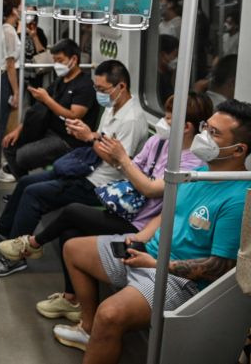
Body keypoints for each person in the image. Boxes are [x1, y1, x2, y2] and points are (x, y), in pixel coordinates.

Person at [55, 99, 251, 363]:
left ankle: (100, 328)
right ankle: (89, 330)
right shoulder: (198, 172)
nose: (204, 137)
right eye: (206, 128)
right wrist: (140, 238)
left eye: (214, 134)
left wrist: (157, 263)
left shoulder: (239, 198)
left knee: (110, 313)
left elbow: (219, 266)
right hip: (148, 252)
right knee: (73, 249)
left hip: (181, 279)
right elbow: (168, 212)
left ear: (238, 149)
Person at [0, 93, 211, 320]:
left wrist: (124, 161)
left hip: (142, 224)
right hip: (127, 209)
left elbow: (150, 189)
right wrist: (124, 163)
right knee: (69, 232)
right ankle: (72, 300)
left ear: (186, 126)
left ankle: (31, 244)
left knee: (72, 211)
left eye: (168, 118)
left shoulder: (193, 162)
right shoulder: (158, 142)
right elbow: (135, 172)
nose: (163, 122)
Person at [0, 60, 148, 276]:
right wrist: (88, 133)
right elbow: (102, 138)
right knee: (27, 182)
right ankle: (5, 235)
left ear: (121, 87)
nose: (99, 93)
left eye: (103, 89)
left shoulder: (131, 119)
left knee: (34, 194)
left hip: (102, 184)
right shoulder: (112, 107)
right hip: (89, 169)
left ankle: (16, 257)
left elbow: (120, 162)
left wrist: (88, 138)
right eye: (97, 88)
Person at [0, 39, 98, 182]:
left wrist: (47, 99)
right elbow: (39, 107)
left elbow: (75, 115)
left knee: (22, 156)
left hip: (67, 140)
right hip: (48, 131)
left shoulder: (85, 85)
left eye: (60, 60)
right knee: (9, 146)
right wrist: (19, 129)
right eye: (54, 60)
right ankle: (24, 186)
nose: (56, 65)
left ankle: (28, 189)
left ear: (74, 59)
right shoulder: (60, 81)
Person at [0, 0, 21, 148]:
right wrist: (16, 91)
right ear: (14, 10)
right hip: (6, 79)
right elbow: (10, 64)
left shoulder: (7, 29)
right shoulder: (9, 31)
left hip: (5, 78)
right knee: (2, 122)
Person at [157, 34, 180, 105]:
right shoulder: (157, 80)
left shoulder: (168, 73)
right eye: (175, 55)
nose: (177, 59)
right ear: (163, 55)